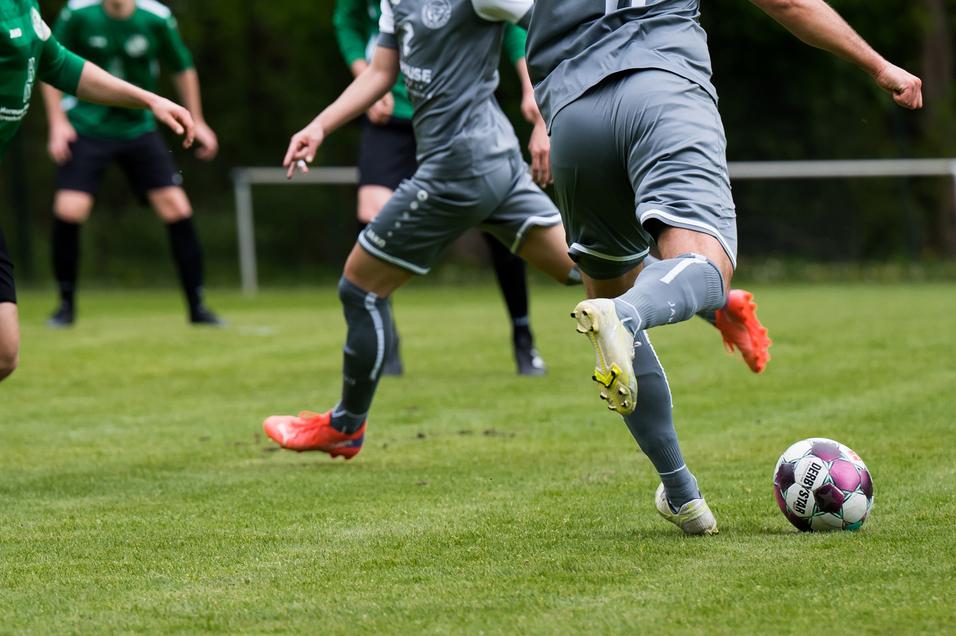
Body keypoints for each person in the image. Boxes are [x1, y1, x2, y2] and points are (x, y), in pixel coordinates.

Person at [525, 0, 923, 534]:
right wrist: (879, 64)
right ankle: (631, 311)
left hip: (572, 118)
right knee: (704, 266)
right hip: (663, 85)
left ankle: (682, 493)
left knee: (613, 305)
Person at [262, 0, 585, 458]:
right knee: (585, 267)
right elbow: (380, 73)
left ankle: (346, 426)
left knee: (360, 289)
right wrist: (320, 126)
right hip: (495, 161)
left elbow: (557, 29)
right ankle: (712, 299)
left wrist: (547, 118)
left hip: (459, 168)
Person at [333, 0, 549, 375]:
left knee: (575, 261)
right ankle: (383, 341)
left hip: (466, 120)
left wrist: (537, 91)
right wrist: (352, 86)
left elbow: (532, 26)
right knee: (368, 230)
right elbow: (349, 27)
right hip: (393, 118)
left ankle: (522, 333)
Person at [0, 0, 194, 383]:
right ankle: (67, 301)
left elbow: (58, 63)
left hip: (132, 131)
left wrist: (150, 99)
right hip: (90, 134)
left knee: (4, 352)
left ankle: (198, 302)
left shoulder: (22, 4)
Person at [41, 0, 221, 327]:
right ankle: (65, 305)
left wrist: (199, 119)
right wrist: (57, 123)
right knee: (69, 210)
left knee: (177, 209)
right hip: (86, 126)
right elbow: (48, 60)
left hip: (139, 127)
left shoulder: (157, 17)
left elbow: (182, 66)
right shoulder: (78, 13)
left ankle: (197, 306)